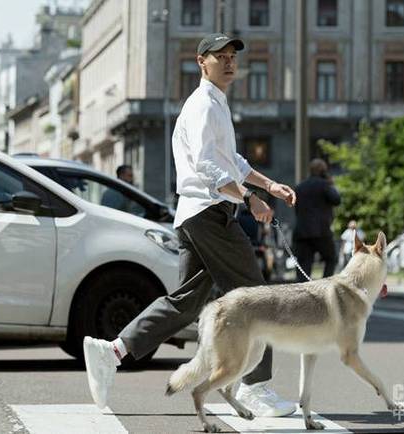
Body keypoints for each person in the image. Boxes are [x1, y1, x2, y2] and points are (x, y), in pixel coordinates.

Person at [82, 33, 298, 417]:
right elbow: (206, 165)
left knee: (185, 301)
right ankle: (255, 387)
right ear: (202, 61)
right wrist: (249, 199)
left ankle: (112, 351)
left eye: (233, 57)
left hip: (196, 216)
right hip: (209, 214)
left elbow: (229, 159)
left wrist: (268, 185)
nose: (229, 62)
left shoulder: (215, 103)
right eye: (221, 56)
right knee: (256, 297)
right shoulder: (203, 105)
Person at [292, 158, 341, 282]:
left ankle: (303, 293)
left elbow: (296, 209)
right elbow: (336, 200)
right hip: (321, 231)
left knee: (304, 265)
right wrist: (331, 184)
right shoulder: (324, 184)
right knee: (331, 258)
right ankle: (325, 286)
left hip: (302, 232)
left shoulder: (299, 187)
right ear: (323, 171)